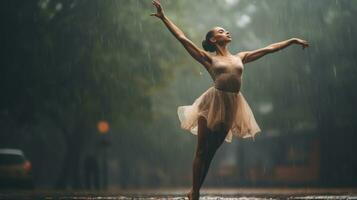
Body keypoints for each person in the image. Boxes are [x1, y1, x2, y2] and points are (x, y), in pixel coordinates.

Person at [150, 1, 309, 199]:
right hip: (211, 104)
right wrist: (164, 18)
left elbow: (269, 49)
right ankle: (195, 192)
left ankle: (194, 191)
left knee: (211, 153)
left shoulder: (240, 57)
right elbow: (182, 38)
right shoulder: (208, 58)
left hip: (232, 105)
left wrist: (292, 40)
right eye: (221, 31)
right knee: (201, 150)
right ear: (213, 39)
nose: (226, 32)